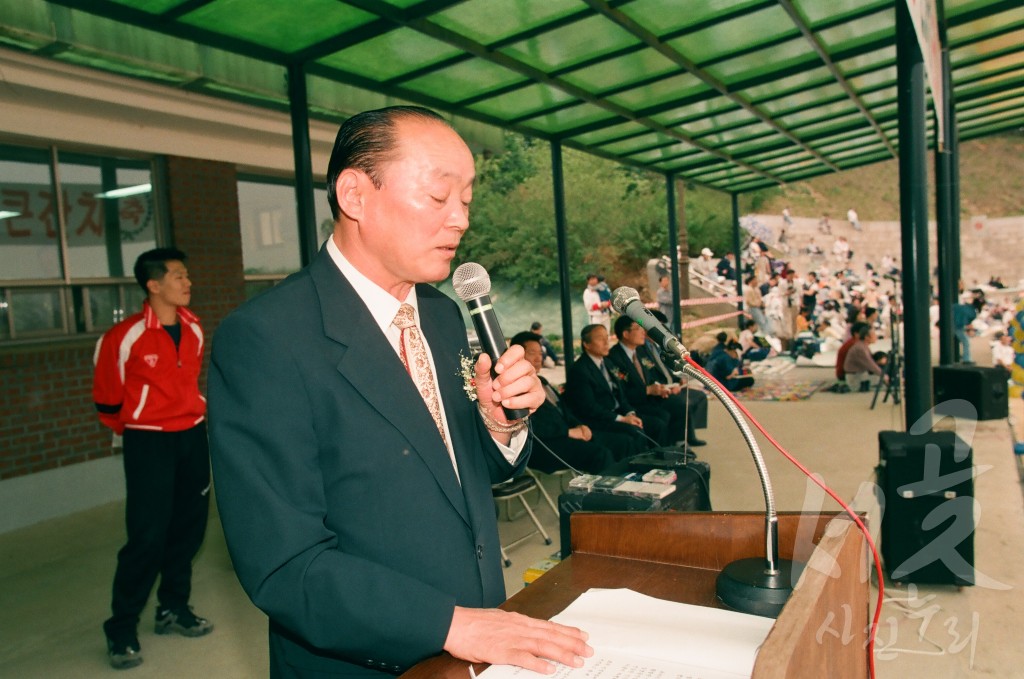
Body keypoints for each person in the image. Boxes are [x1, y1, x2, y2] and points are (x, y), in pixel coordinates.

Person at [207, 107, 591, 677]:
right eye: (439, 199)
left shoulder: (438, 314)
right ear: (355, 194)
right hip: (367, 659)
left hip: (481, 639)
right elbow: (285, 564)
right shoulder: (267, 339)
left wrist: (500, 424)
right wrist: (452, 624)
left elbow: (452, 477)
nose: (460, 221)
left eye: (467, 200)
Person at [92, 247, 213, 670]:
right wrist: (144, 423)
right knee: (147, 537)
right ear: (153, 284)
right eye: (178, 275)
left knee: (189, 530)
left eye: (186, 274)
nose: (187, 282)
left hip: (192, 437)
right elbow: (107, 401)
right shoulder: (123, 337)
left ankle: (172, 608)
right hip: (148, 443)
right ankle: (121, 627)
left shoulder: (194, 328)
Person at [510, 332, 638, 472]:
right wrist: (568, 432)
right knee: (600, 454)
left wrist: (580, 425)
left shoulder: (543, 382)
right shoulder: (515, 388)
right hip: (545, 446)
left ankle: (630, 484)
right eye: (532, 353)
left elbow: (565, 410)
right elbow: (530, 428)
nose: (538, 358)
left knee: (624, 442)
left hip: (568, 434)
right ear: (517, 357)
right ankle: (607, 492)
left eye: (541, 353)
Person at [563, 323, 662, 448]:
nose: (606, 342)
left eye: (607, 337)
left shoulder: (608, 363)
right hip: (598, 419)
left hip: (617, 412)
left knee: (656, 424)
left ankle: (661, 459)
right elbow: (589, 407)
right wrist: (622, 419)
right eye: (600, 338)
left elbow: (620, 394)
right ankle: (641, 465)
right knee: (635, 433)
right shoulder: (579, 370)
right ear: (586, 344)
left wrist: (630, 413)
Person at [843, 325, 885, 391]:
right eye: (874, 335)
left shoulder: (862, 346)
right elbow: (871, 365)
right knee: (886, 380)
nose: (876, 336)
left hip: (859, 375)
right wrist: (884, 375)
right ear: (866, 337)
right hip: (856, 379)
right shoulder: (860, 348)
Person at [953, 299, 977, 364]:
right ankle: (966, 359)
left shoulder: (962, 307)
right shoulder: (969, 310)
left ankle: (957, 355)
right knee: (966, 342)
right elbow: (965, 321)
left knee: (958, 341)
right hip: (957, 326)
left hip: (954, 325)